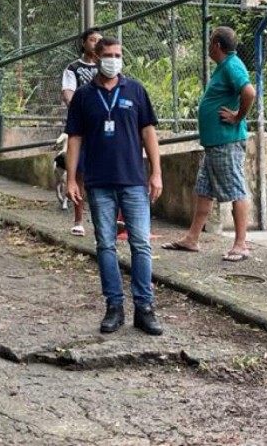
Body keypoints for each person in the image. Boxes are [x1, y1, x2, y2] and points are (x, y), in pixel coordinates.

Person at [65, 37, 164, 336]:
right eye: (107, 55)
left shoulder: (135, 90)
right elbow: (74, 139)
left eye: (118, 55)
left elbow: (148, 133)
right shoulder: (83, 97)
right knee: (105, 245)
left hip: (133, 180)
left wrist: (156, 172)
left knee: (141, 245)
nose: (113, 59)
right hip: (98, 182)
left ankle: (145, 308)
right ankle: (114, 306)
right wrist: (71, 178)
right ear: (95, 57)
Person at [163, 27, 257, 261]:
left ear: (216, 44)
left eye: (209, 42)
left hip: (227, 142)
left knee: (236, 189)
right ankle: (192, 238)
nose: (208, 46)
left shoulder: (233, 66)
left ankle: (241, 244)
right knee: (204, 190)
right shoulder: (224, 68)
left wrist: (238, 116)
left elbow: (249, 92)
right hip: (215, 144)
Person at [61, 28, 102, 236]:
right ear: (84, 43)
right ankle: (78, 219)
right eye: (92, 40)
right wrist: (79, 109)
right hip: (82, 126)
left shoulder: (107, 67)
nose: (96, 43)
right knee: (79, 172)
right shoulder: (73, 68)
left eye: (99, 40)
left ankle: (110, 221)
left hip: (104, 128)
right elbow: (68, 93)